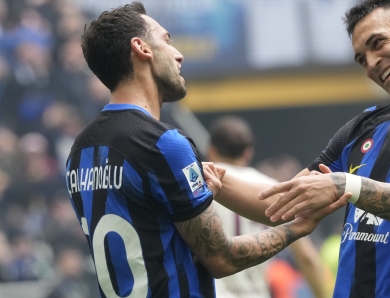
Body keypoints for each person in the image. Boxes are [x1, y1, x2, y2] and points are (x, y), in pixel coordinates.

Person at [212, 0, 390, 297]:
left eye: (378, 43)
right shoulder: (362, 127)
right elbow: (279, 206)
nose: (372, 63)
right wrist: (207, 179)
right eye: (362, 58)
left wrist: (345, 185)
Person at [65, 2, 348, 298]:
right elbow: (221, 258)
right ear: (142, 48)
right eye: (166, 40)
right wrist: (297, 230)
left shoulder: (80, 151)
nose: (179, 54)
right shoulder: (162, 144)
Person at [207, 115, 328, 298]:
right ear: (248, 153)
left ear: (211, 150)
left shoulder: (202, 184)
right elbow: (306, 256)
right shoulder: (270, 187)